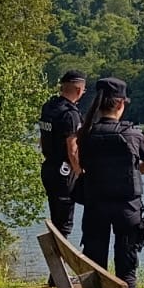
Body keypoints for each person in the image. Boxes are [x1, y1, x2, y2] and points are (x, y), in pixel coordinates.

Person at [77, 76, 144, 288]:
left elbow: (80, 166)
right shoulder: (133, 135)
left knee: (95, 267)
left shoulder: (86, 134)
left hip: (95, 209)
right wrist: (131, 173)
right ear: (121, 103)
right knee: (126, 272)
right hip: (127, 209)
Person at [38, 70, 87, 236]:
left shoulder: (48, 107)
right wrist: (80, 172)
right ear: (79, 90)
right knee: (64, 225)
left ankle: (57, 256)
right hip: (64, 172)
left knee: (56, 218)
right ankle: (60, 259)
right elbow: (72, 150)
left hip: (48, 168)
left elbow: (43, 138)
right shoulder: (70, 114)